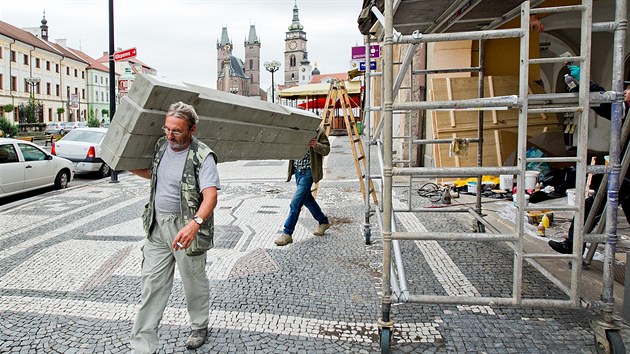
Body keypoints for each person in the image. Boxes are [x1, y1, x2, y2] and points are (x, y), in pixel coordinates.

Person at [128, 101, 220, 352]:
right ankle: (143, 344)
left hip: (186, 226)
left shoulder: (203, 155)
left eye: (177, 131)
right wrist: (126, 164)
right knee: (152, 284)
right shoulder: (161, 146)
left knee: (193, 280)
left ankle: (199, 324)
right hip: (157, 225)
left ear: (192, 129)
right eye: (167, 129)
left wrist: (194, 225)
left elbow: (210, 196)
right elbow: (154, 173)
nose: (170, 136)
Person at [548, 81, 630, 254]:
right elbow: (603, 101)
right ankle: (572, 244)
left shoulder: (626, 112)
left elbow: (606, 103)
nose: (625, 91)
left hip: (625, 176)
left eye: (629, 89)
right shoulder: (625, 111)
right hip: (624, 174)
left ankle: (572, 245)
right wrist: (583, 84)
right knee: (592, 207)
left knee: (592, 206)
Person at [275, 127, 331, 246]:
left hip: (309, 173)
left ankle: (287, 233)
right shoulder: (295, 130)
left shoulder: (318, 131)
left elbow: (326, 150)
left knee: (295, 203)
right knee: (308, 200)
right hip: (298, 172)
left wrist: (316, 145)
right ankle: (323, 221)